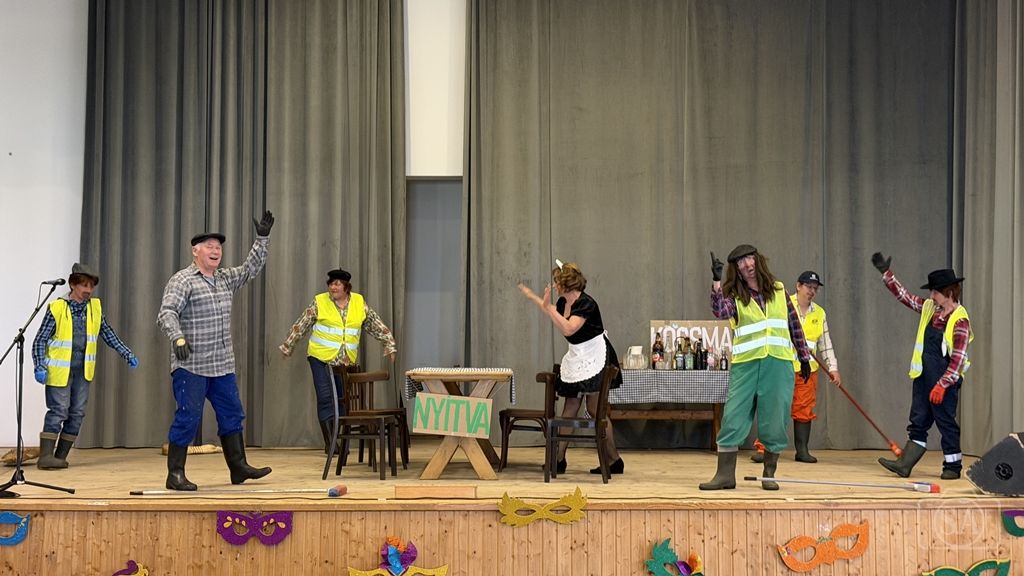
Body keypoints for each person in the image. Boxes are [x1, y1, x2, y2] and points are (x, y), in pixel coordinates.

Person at [156, 211, 275, 491]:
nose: (215, 251)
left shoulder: (224, 278)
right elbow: (167, 313)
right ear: (195, 251)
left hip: (222, 365)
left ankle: (238, 467)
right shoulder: (183, 280)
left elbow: (250, 269)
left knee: (232, 414)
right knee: (188, 417)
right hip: (192, 365)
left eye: (219, 247)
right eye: (209, 246)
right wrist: (177, 338)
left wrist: (262, 239)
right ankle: (175, 475)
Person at [700, 245, 811, 491]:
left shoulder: (779, 290)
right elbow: (720, 311)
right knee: (733, 417)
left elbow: (794, 324)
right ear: (736, 269)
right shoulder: (734, 296)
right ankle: (725, 475)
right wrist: (716, 281)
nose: (747, 264)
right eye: (741, 262)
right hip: (746, 365)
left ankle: (769, 473)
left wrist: (803, 357)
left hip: (778, 364)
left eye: (750, 258)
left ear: (758, 260)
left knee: (775, 419)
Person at [872, 252, 972, 480]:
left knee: (945, 422)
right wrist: (887, 274)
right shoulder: (930, 309)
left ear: (949, 293)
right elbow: (905, 297)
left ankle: (953, 467)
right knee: (918, 420)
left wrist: (942, 385)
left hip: (944, 381)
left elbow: (957, 360)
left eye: (935, 292)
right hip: (924, 376)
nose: (931, 295)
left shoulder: (960, 320)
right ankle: (905, 464)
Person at [518, 261, 625, 475]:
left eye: (557, 282)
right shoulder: (561, 303)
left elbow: (569, 328)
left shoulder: (586, 304)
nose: (555, 285)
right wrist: (535, 299)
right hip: (577, 354)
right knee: (570, 407)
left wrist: (546, 306)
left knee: (595, 410)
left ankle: (614, 460)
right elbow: (555, 316)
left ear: (566, 284)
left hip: (596, 355)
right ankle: (558, 460)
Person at [31, 263, 138, 469]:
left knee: (77, 413)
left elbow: (107, 333)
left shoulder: (94, 308)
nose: (88, 290)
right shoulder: (57, 308)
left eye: (91, 286)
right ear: (73, 284)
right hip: (59, 371)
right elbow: (40, 340)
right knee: (58, 411)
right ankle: (46, 457)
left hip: (82, 371)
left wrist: (126, 353)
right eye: (84, 285)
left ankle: (60, 457)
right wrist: (39, 365)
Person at [278, 268, 397, 452]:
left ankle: (338, 438)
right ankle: (331, 444)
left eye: (337, 284)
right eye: (331, 284)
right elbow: (301, 324)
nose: (332, 287)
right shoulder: (320, 301)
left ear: (346, 287)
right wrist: (288, 345)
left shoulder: (359, 302)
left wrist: (389, 344)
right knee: (325, 398)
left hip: (344, 362)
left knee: (342, 401)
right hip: (320, 358)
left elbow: (375, 324)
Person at [751, 270, 841, 464]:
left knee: (804, 409)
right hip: (781, 365)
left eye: (815, 288)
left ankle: (802, 450)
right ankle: (764, 448)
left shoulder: (819, 313)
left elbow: (825, 343)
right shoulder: (782, 303)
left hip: (808, 370)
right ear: (798, 286)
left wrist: (833, 367)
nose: (812, 291)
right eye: (808, 287)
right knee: (775, 407)